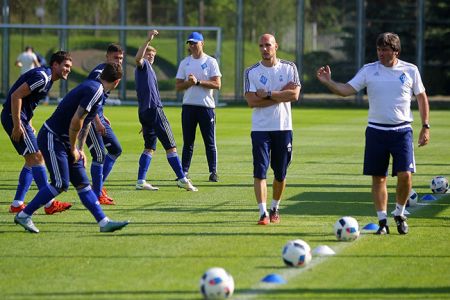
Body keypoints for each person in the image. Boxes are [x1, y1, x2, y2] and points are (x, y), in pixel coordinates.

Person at [316, 32, 430, 235]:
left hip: (402, 131)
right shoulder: (369, 70)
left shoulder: (410, 70)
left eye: (385, 49)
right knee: (378, 179)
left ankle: (400, 213)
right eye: (379, 49)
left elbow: (421, 97)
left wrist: (425, 126)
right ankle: (383, 221)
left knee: (405, 175)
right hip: (376, 132)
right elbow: (346, 90)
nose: (381, 53)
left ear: (396, 51)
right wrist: (328, 82)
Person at [13, 62, 129, 233]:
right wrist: (73, 148)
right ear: (117, 82)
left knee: (83, 184)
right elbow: (76, 122)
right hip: (53, 136)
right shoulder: (96, 91)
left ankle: (104, 222)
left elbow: (85, 122)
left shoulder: (95, 88)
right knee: (60, 183)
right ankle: (24, 215)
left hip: (65, 140)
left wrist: (80, 149)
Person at [2, 51, 73, 215]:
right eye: (66, 66)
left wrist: (29, 122)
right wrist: (17, 124)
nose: (68, 69)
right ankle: (49, 204)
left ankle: (17, 204)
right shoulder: (43, 77)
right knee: (37, 158)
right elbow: (16, 96)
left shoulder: (47, 79)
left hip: (20, 118)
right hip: (14, 117)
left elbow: (28, 101)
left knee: (31, 160)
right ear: (55, 64)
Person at [243, 33, 301, 225]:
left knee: (280, 173)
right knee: (260, 172)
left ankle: (275, 207)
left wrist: (267, 94)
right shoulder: (251, 72)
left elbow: (294, 95)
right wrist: (280, 94)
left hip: (283, 128)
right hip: (260, 129)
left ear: (276, 46)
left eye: (268, 45)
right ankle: (262, 213)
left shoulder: (289, 67)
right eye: (261, 45)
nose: (264, 49)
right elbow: (252, 102)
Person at [135, 30, 197, 192]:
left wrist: (145, 119)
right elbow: (138, 59)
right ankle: (182, 179)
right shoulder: (143, 66)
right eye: (148, 54)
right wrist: (147, 40)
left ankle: (141, 180)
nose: (150, 57)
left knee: (149, 147)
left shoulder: (148, 70)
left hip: (145, 112)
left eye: (153, 55)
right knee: (171, 147)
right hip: (154, 110)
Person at [175, 31, 222, 182]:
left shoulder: (211, 62)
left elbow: (217, 84)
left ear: (202, 43)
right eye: (190, 43)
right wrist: (188, 83)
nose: (192, 46)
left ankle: (213, 171)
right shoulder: (185, 62)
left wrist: (198, 82)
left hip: (206, 107)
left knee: (209, 141)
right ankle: (184, 172)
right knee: (188, 141)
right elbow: (178, 86)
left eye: (195, 43)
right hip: (188, 106)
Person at [85, 43, 124, 205]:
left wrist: (102, 114)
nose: (119, 61)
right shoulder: (98, 74)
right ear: (107, 57)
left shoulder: (114, 73)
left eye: (121, 58)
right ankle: (96, 193)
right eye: (116, 58)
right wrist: (98, 121)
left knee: (115, 149)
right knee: (99, 155)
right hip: (89, 117)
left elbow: (100, 99)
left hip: (98, 114)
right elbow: (88, 100)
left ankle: (98, 187)